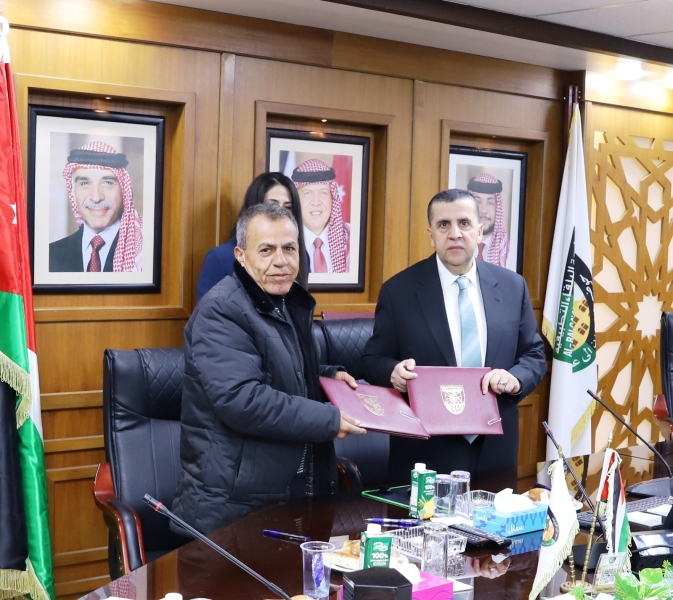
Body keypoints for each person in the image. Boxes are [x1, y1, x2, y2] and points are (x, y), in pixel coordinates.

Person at [172, 203, 366, 534]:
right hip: (233, 510)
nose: (281, 260)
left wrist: (324, 378)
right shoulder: (221, 310)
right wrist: (326, 419)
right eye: (266, 250)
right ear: (241, 255)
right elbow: (242, 399)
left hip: (288, 496)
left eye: (289, 248)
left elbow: (279, 367)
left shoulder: (286, 301)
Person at [361, 189, 546, 482]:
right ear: (431, 235)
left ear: (480, 231)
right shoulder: (399, 291)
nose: (455, 234)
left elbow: (534, 354)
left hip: (496, 448)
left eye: (464, 223)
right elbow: (372, 360)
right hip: (426, 452)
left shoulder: (512, 286)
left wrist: (516, 378)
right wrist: (392, 372)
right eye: (444, 224)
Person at [196, 172, 309, 302]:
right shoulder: (220, 257)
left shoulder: (301, 256)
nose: (280, 213)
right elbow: (209, 311)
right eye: (272, 206)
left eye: (288, 207)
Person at [49, 141, 142, 272]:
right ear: (73, 192)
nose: (96, 197)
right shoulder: (51, 255)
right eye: (84, 183)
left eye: (107, 182)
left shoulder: (143, 254)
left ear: (124, 191)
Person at [291, 158, 349, 274]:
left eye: (323, 192)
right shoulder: (284, 241)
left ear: (332, 198)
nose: (316, 202)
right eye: (308, 193)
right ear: (296, 200)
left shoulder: (352, 239)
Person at [467, 173, 510, 268]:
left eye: (490, 203)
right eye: (477, 202)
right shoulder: (457, 246)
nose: (483, 210)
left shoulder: (507, 249)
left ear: (497, 208)